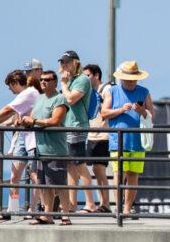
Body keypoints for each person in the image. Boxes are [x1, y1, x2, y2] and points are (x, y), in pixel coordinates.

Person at [0, 69, 39, 220]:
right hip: (23, 137)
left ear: (16, 83)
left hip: (33, 138)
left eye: (10, 86)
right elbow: (13, 115)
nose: (10, 90)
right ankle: (13, 208)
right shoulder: (27, 94)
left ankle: (33, 209)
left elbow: (7, 110)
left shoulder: (29, 93)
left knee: (34, 175)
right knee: (15, 175)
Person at [21, 70, 73, 225]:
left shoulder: (60, 99)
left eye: (47, 80)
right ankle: (48, 214)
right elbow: (31, 117)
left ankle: (65, 215)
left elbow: (55, 120)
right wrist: (23, 121)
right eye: (42, 79)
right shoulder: (39, 99)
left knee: (59, 185)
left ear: (55, 82)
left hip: (56, 149)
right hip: (41, 148)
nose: (43, 82)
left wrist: (34, 120)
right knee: (44, 185)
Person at [104, 61, 154, 217]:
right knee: (119, 174)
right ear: (122, 78)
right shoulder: (112, 91)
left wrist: (142, 112)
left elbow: (151, 116)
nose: (131, 82)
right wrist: (120, 110)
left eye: (134, 79)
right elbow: (104, 113)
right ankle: (118, 208)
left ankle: (126, 209)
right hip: (118, 140)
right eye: (128, 79)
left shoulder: (144, 92)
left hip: (138, 141)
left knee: (133, 175)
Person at [58, 51, 93, 210]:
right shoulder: (70, 80)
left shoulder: (82, 80)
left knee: (79, 164)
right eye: (62, 62)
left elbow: (71, 99)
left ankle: (90, 203)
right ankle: (71, 204)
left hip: (77, 126)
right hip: (67, 126)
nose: (64, 65)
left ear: (75, 63)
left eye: (67, 62)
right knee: (71, 166)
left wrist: (64, 84)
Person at [82, 64, 112, 212]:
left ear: (96, 75)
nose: (85, 79)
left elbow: (107, 110)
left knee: (100, 169)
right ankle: (102, 203)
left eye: (87, 75)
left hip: (103, 135)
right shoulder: (89, 92)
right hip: (92, 134)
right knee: (95, 169)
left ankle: (105, 204)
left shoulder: (106, 89)